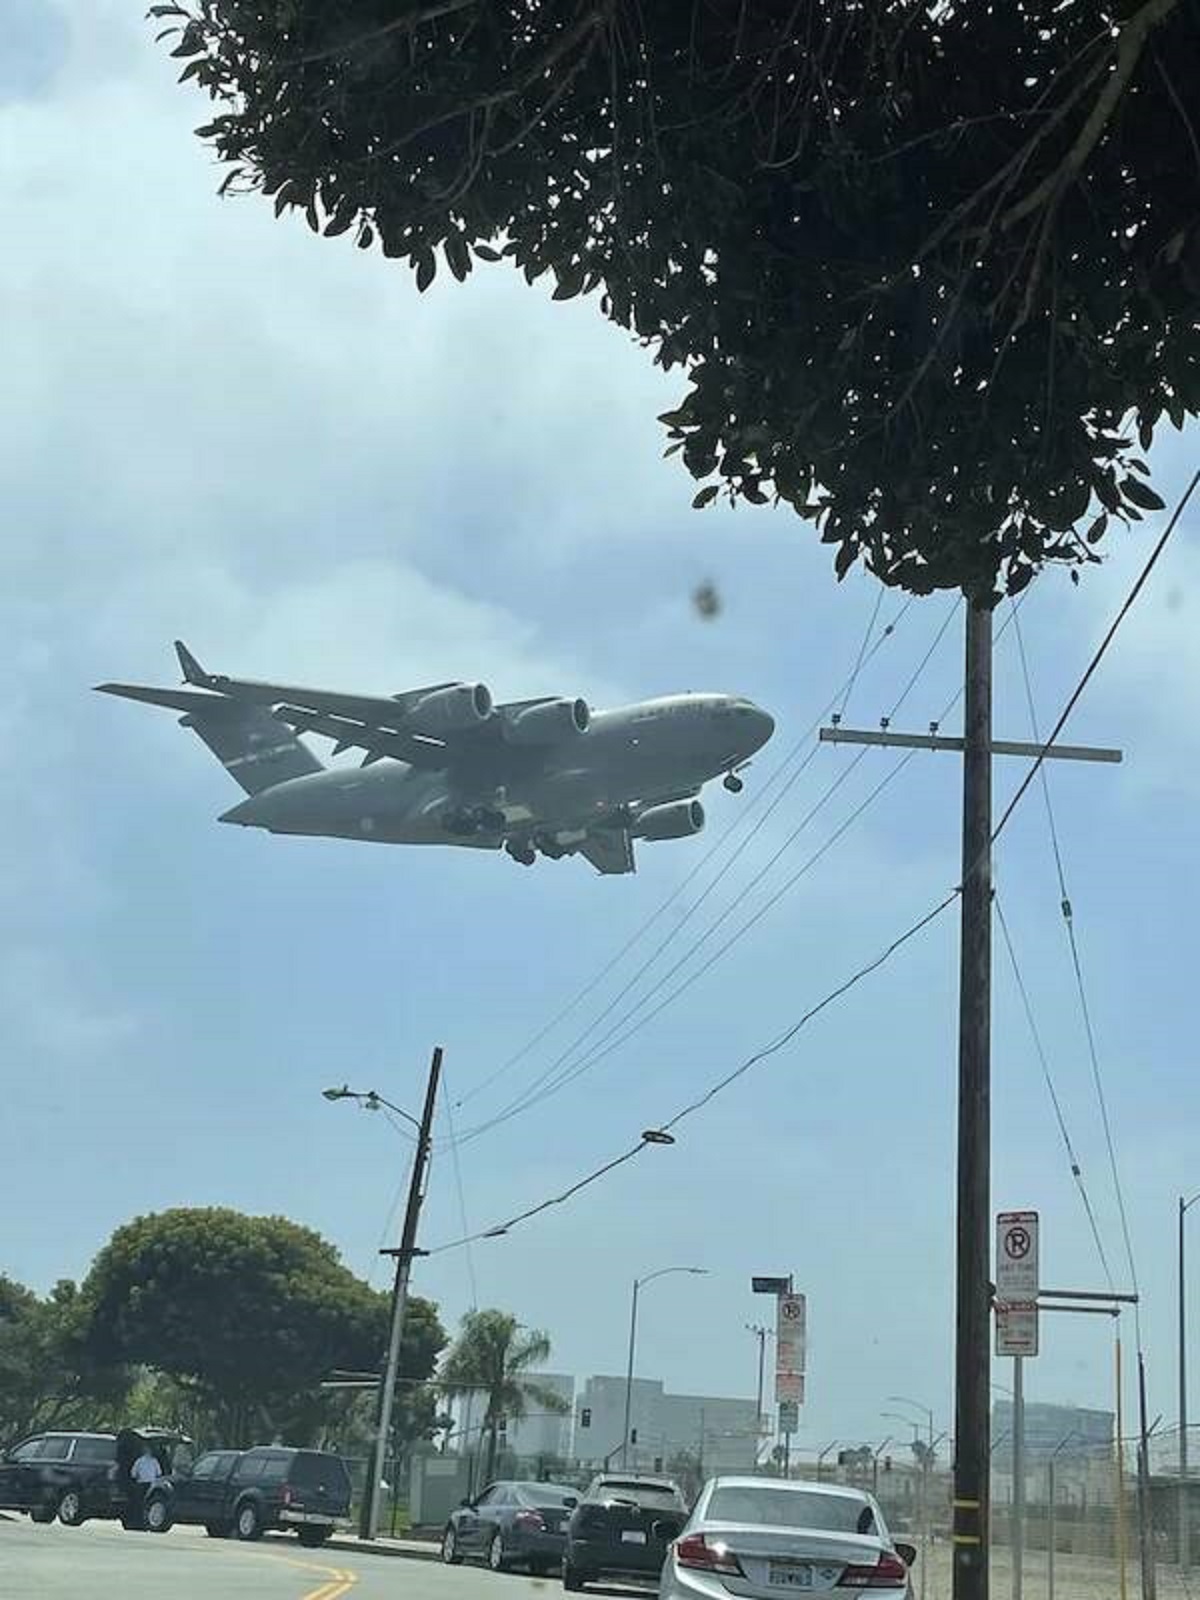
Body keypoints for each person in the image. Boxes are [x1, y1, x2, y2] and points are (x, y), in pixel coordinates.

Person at [129, 1442, 163, 1528]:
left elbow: (133, 1474)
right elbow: (159, 1473)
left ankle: (139, 1521)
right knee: (149, 1504)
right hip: (152, 1484)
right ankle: (148, 1522)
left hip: (141, 1484)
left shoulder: (139, 1461)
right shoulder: (154, 1461)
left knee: (139, 1504)